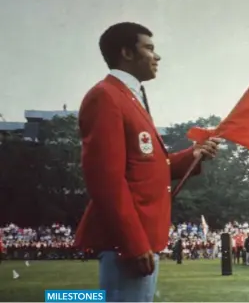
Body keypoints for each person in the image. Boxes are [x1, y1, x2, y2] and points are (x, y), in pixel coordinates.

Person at [73, 22, 221, 302]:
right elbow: (106, 181)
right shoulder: (106, 97)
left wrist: (193, 154)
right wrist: (132, 242)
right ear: (127, 53)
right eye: (149, 48)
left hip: (140, 236)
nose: (157, 56)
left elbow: (148, 168)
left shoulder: (129, 96)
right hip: (129, 241)